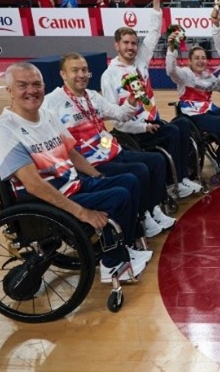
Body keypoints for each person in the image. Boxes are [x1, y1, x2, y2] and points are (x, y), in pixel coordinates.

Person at [0, 63, 149, 284]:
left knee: (129, 180)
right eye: (22, 85)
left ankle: (124, 247)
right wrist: (82, 213)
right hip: (48, 200)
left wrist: (97, 176)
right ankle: (111, 265)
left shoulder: (46, 115)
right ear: (9, 90)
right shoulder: (3, 131)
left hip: (74, 184)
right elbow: (34, 185)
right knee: (118, 196)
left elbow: (71, 153)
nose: (31, 91)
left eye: (36, 84)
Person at [44, 52, 176, 240]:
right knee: (139, 171)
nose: (81, 75)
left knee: (156, 160)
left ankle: (152, 209)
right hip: (90, 162)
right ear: (63, 74)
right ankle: (143, 216)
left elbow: (120, 114)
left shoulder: (92, 96)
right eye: (75, 71)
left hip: (112, 150)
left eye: (84, 70)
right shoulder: (52, 102)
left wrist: (131, 102)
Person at [100, 0, 203, 199]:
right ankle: (173, 183)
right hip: (135, 132)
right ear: (116, 45)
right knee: (174, 131)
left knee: (183, 124)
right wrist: (143, 127)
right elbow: (115, 118)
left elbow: (155, 31)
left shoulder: (140, 61)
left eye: (133, 43)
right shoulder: (109, 75)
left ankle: (181, 177)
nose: (130, 47)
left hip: (153, 123)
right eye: (126, 43)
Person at [164, 23, 220, 175]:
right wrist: (171, 49)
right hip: (193, 116)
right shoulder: (184, 75)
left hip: (209, 111)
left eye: (203, 58)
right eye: (197, 58)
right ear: (190, 60)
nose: (201, 61)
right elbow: (170, 69)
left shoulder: (207, 75)